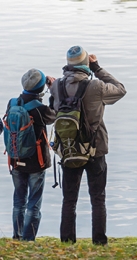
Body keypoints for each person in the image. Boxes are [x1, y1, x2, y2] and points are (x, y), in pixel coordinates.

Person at [49, 46, 126, 245]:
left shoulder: (56, 86)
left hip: (68, 149)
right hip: (95, 148)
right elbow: (120, 89)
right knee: (98, 198)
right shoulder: (97, 86)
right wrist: (98, 68)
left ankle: (67, 240)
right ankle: (99, 241)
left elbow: (53, 110)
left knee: (69, 199)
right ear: (86, 64)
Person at [5, 69, 56, 241]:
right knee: (33, 203)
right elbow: (55, 114)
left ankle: (17, 236)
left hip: (16, 159)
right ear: (41, 88)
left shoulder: (12, 103)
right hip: (37, 162)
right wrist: (53, 91)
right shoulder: (41, 109)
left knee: (19, 201)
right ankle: (28, 239)